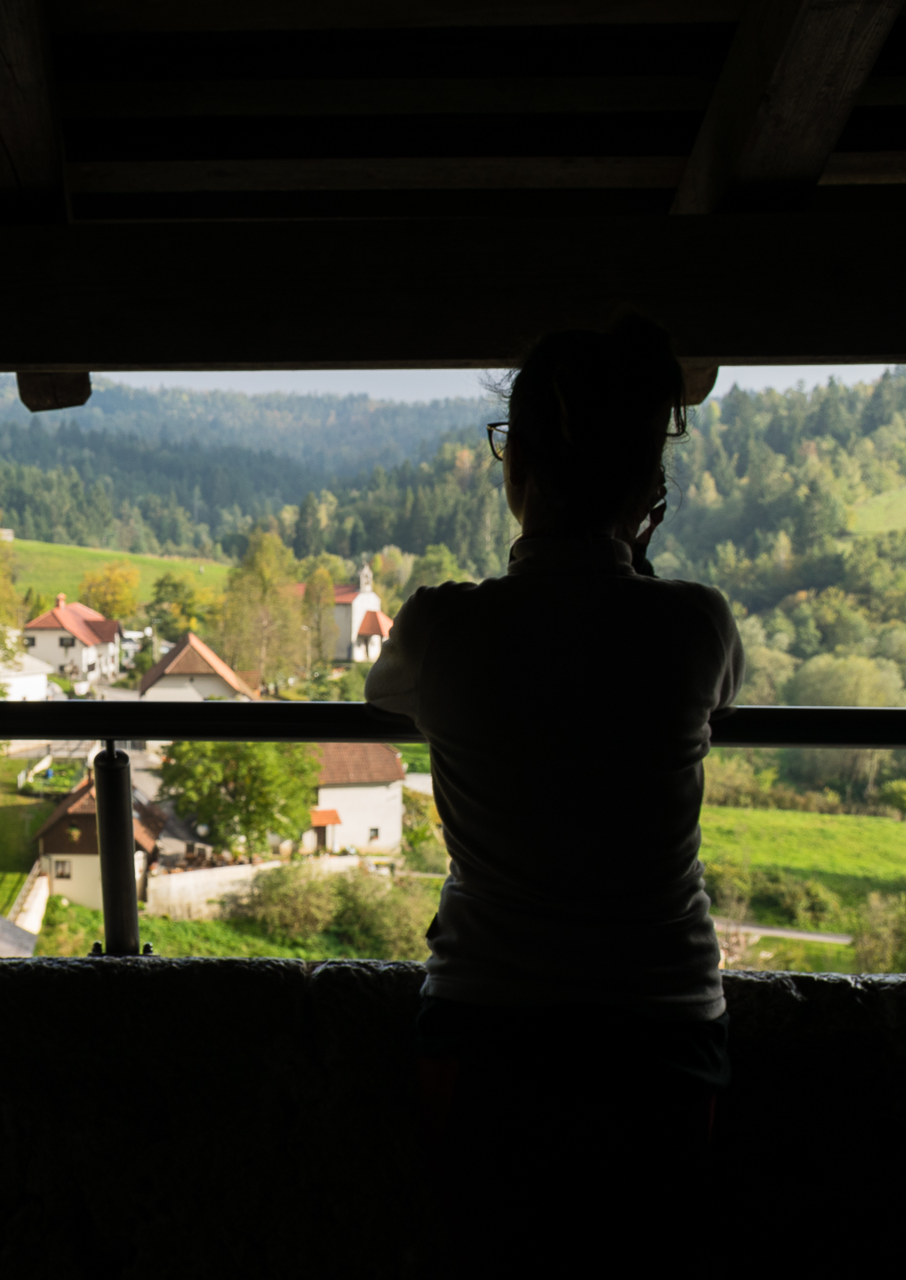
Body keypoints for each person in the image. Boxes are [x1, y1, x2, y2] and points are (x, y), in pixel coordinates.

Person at [366, 316, 743, 1234]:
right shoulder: (697, 626)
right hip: (663, 1026)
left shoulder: (441, 629)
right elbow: (711, 696)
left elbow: (386, 695)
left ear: (515, 468)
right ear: (650, 487)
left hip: (486, 1020)